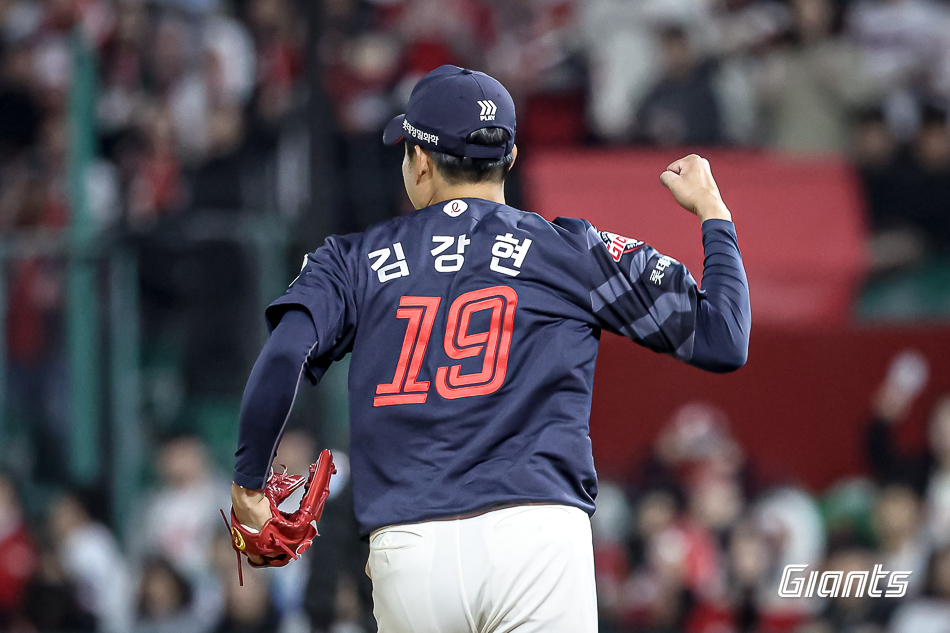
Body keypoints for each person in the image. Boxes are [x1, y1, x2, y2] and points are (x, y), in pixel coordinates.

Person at [229, 65, 750, 632]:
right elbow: (723, 337)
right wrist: (713, 213)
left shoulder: (351, 260)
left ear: (420, 161)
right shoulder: (569, 251)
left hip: (410, 546)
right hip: (537, 535)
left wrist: (249, 484)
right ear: (511, 157)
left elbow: (285, 355)